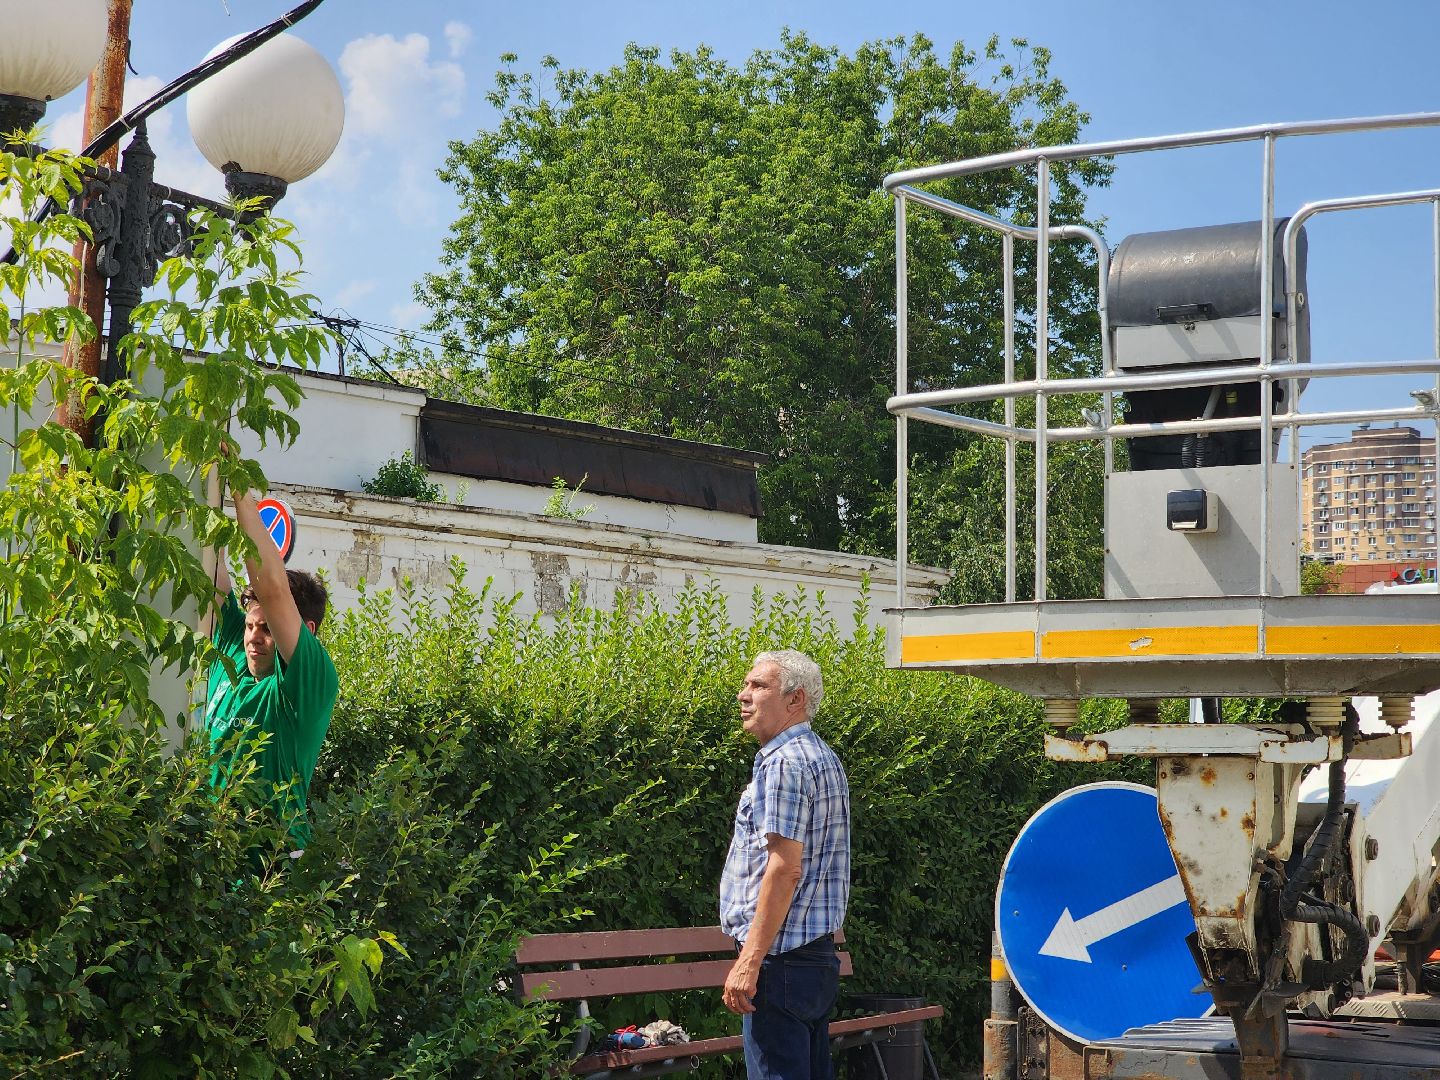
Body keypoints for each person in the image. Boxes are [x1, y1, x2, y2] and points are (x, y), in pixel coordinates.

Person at [720, 649, 851, 1080]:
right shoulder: (822, 756)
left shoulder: (783, 763)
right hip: (815, 961)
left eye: (759, 686)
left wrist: (749, 962)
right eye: (746, 684)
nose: (744, 695)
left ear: (795, 700)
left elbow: (783, 868)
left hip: (781, 963)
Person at [204, 487, 338, 854]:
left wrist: (241, 492)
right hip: (206, 865)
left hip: (268, 875)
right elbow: (210, 565)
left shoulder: (307, 685)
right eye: (251, 625)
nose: (253, 637)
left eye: (267, 629)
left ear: (305, 631)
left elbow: (274, 590)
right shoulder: (233, 649)